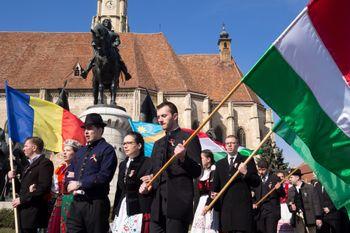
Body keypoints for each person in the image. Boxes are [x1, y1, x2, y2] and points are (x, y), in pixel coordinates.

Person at [139, 101, 202, 233]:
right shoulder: (158, 143)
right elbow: (155, 173)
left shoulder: (189, 138)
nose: (160, 120)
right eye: (159, 117)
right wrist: (148, 182)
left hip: (177, 204)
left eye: (164, 116)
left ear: (175, 116)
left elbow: (197, 171)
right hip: (157, 206)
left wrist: (184, 157)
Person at [66, 113, 117, 233]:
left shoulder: (107, 150)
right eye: (85, 129)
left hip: (95, 203)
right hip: (77, 202)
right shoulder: (80, 151)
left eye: (90, 128)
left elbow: (104, 176)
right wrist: (68, 182)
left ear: (100, 130)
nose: (86, 132)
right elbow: (71, 170)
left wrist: (80, 183)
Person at [211, 135, 260, 233]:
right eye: (227, 143)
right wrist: (212, 197)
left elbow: (256, 182)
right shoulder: (219, 163)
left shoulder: (247, 160)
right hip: (226, 210)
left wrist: (246, 173)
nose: (229, 145)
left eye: (232, 143)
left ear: (237, 145)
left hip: (242, 209)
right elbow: (215, 187)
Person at [8, 137, 54, 233]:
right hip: (23, 212)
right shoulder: (28, 166)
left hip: (34, 213)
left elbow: (44, 187)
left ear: (34, 148)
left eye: (26, 146)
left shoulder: (45, 163)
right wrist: (13, 178)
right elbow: (22, 189)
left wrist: (22, 199)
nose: (23, 149)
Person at [111, 132, 153, 233]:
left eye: (129, 143)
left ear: (139, 145)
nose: (125, 146)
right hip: (122, 208)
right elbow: (119, 189)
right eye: (124, 143)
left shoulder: (149, 162)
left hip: (139, 208)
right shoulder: (123, 164)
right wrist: (114, 212)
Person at [47, 139, 81, 233]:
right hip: (60, 201)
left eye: (68, 150)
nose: (64, 153)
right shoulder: (61, 168)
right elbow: (55, 187)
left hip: (72, 201)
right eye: (64, 150)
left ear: (75, 153)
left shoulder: (79, 168)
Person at [252, 160, 285, 233]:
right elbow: (252, 193)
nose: (261, 172)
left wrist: (279, 188)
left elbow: (283, 194)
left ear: (267, 169)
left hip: (272, 212)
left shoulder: (274, 178)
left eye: (263, 170)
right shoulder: (255, 179)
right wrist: (253, 202)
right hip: (259, 211)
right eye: (259, 169)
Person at [191, 149, 219, 233]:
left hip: (211, 199)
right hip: (201, 201)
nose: (200, 160)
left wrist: (209, 203)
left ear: (208, 159)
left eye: (202, 158)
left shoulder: (214, 170)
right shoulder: (201, 171)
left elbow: (214, 187)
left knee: (209, 223)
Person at [287, 169, 322, 233]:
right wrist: (291, 207)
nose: (289, 179)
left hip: (310, 220)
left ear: (297, 177)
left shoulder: (310, 188)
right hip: (298, 221)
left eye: (291, 177)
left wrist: (318, 217)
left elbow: (316, 203)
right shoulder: (290, 190)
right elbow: (289, 203)